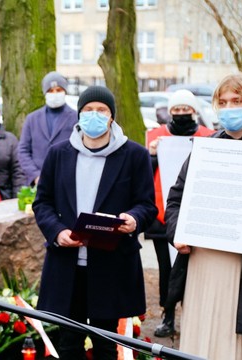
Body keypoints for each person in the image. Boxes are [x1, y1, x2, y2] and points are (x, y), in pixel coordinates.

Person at [32, 86, 156, 360]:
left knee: (105, 344)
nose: (94, 116)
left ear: (112, 116)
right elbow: (43, 203)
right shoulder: (58, 154)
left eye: (102, 110)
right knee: (69, 343)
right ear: (78, 115)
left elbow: (147, 205)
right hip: (68, 265)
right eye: (88, 110)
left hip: (111, 264)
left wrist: (133, 219)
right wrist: (58, 231)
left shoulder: (134, 155)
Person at [165, 73, 242, 359]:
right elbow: (175, 200)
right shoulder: (206, 148)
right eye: (223, 102)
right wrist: (179, 234)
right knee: (207, 340)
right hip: (205, 266)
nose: (229, 107)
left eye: (237, 100)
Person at [142, 90, 214, 338]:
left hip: (199, 216)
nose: (181, 114)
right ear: (169, 112)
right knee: (167, 270)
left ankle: (196, 316)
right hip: (163, 217)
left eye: (186, 109)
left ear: (194, 111)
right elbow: (145, 178)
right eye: (177, 109)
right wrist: (152, 156)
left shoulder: (209, 136)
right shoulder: (156, 137)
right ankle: (168, 315)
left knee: (198, 270)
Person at [18, 71, 78, 186]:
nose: (55, 94)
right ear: (45, 93)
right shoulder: (32, 118)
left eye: (58, 90)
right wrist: (35, 175)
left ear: (64, 91)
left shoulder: (75, 118)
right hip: (38, 182)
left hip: (67, 179)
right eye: (50, 91)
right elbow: (23, 150)